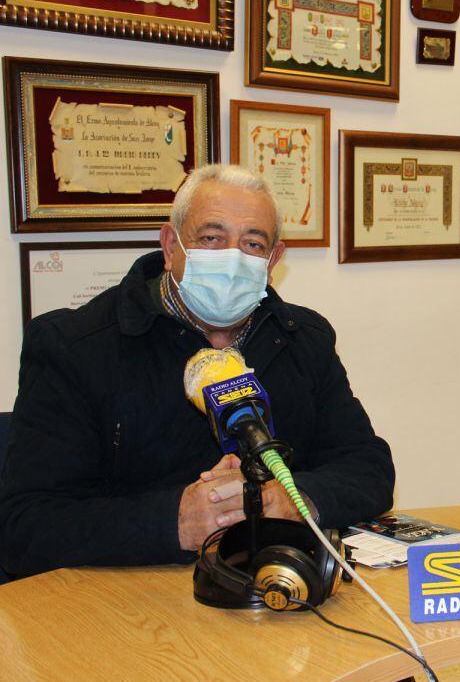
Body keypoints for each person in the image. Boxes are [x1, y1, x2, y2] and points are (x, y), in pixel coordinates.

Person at [0, 165, 395, 577]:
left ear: (274, 258)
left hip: (272, 589)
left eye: (253, 243)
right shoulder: (74, 347)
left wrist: (297, 498)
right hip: (127, 608)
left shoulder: (303, 337)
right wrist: (174, 522)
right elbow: (24, 526)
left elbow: (368, 468)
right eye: (211, 238)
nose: (232, 257)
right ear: (171, 246)